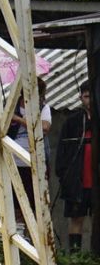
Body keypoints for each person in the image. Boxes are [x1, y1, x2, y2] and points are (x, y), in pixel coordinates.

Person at [55, 88, 92, 251]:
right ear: (80, 98)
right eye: (86, 96)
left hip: (94, 179)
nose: (89, 100)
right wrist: (64, 175)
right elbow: (62, 151)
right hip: (78, 179)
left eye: (92, 96)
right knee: (76, 219)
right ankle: (76, 259)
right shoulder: (73, 120)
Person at [9, 79, 53, 208]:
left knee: (38, 203)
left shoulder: (43, 108)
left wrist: (18, 119)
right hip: (14, 162)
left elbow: (44, 128)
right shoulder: (11, 107)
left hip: (37, 161)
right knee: (16, 203)